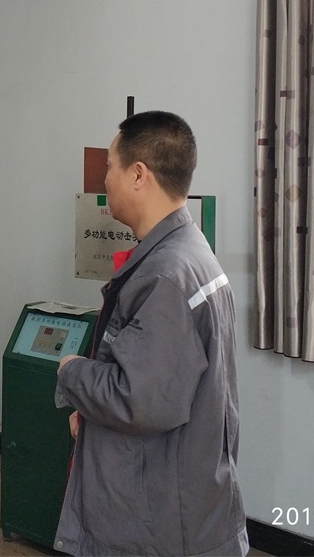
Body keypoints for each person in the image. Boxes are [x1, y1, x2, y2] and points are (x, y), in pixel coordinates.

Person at [54, 111, 248, 556]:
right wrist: (91, 410)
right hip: (185, 491)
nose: (105, 180)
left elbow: (139, 400)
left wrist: (71, 371)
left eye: (110, 166)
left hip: (156, 516)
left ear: (138, 174)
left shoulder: (165, 276)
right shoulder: (190, 252)